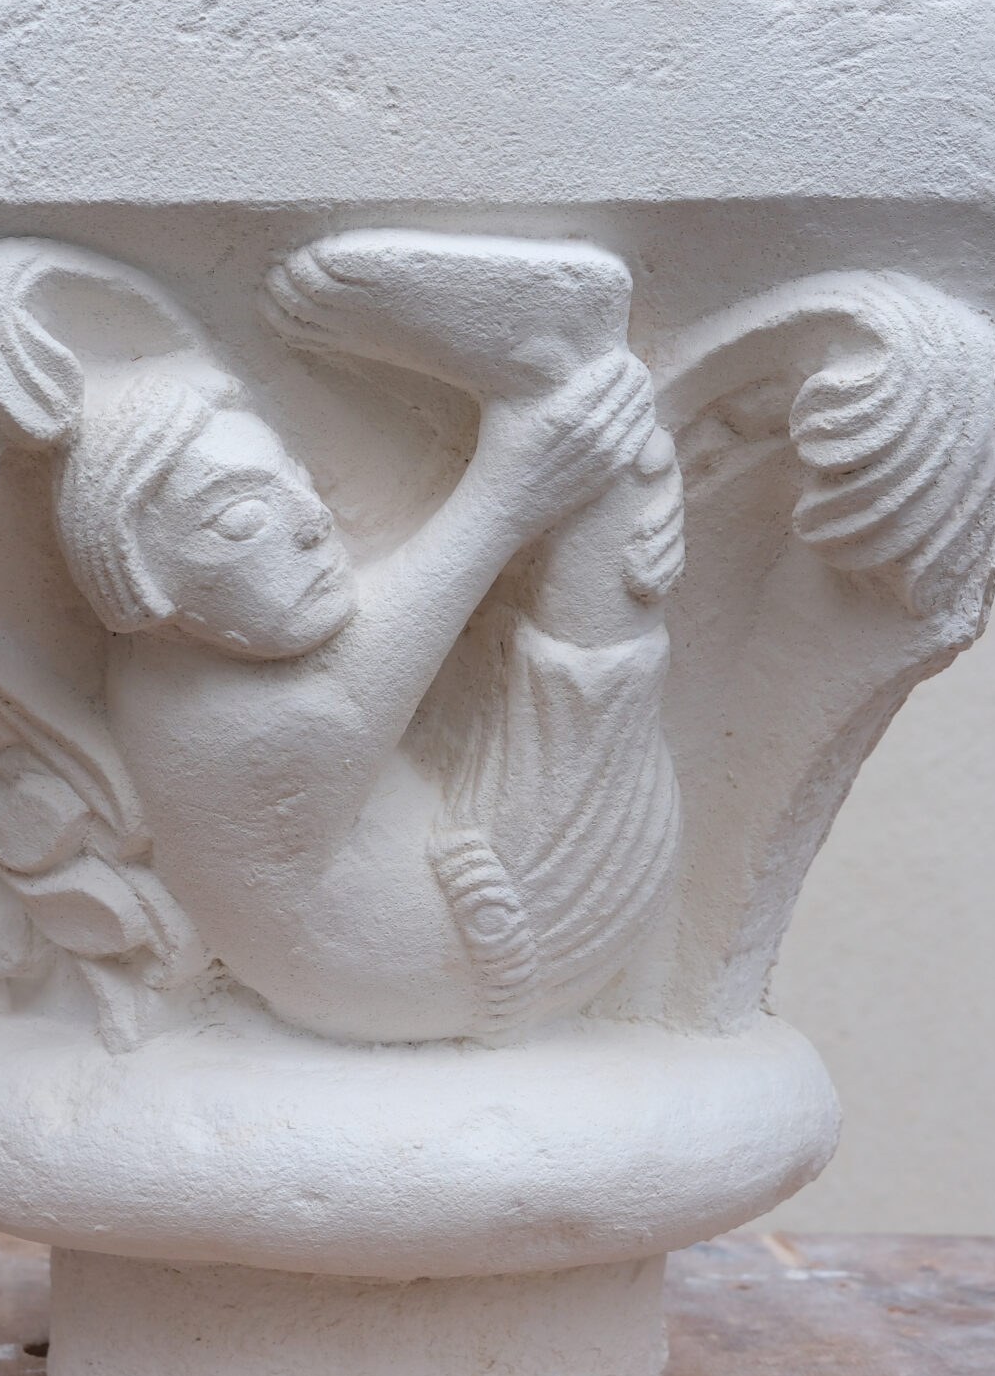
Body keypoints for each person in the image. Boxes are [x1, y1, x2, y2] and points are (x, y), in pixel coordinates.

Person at [52, 234, 685, 1044]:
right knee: (586, 683)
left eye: (295, 480)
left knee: (560, 653)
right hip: (504, 932)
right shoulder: (230, 720)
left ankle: (574, 381)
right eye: (240, 521)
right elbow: (382, 649)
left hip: (457, 891)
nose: (313, 523)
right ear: (145, 585)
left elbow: (407, 625)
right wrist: (516, 487)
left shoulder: (179, 655)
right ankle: (563, 365)